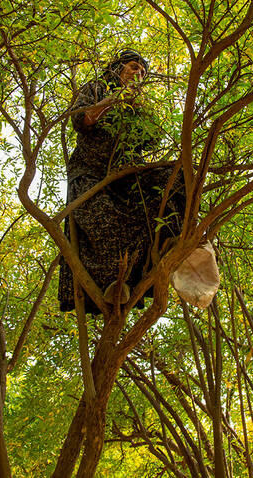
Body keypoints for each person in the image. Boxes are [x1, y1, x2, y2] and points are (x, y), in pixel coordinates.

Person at [57, 49, 187, 314]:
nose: (138, 73)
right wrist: (116, 99)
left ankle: (172, 242)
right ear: (117, 67)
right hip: (90, 172)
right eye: (133, 66)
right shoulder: (96, 87)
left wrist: (142, 112)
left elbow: (151, 141)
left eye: (142, 71)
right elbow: (82, 120)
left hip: (125, 174)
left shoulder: (140, 103)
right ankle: (115, 285)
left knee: (177, 175)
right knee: (102, 220)